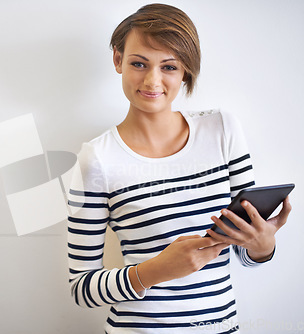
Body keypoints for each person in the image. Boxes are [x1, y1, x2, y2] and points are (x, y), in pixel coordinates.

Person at [67, 3, 292, 333]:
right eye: (139, 63)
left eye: (169, 66)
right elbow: (81, 288)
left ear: (186, 68)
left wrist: (262, 246)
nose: (152, 80)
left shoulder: (222, 130)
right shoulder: (97, 159)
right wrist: (155, 270)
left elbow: (245, 252)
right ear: (118, 59)